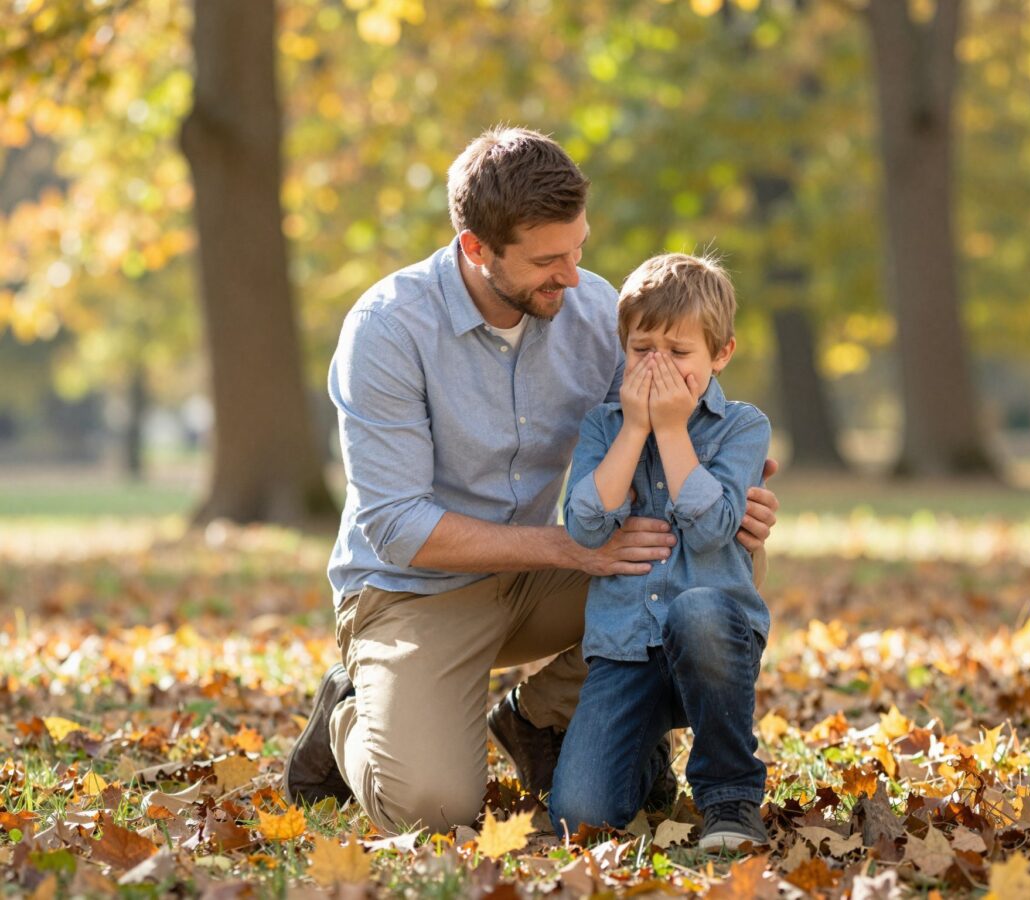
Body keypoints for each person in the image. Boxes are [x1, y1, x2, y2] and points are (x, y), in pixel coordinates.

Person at [281, 127, 779, 834]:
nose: (571, 277)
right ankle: (350, 711)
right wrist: (570, 550)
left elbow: (664, 427)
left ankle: (539, 716)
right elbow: (395, 527)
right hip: (413, 591)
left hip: (543, 579)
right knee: (433, 808)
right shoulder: (388, 329)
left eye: (577, 249)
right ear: (476, 248)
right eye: (547, 261)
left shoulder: (593, 311)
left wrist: (736, 485)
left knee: (724, 565)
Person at [550, 253, 772, 851]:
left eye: (679, 352)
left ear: (721, 354)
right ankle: (645, 759)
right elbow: (585, 528)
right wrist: (635, 430)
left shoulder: (742, 426)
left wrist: (671, 430)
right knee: (579, 817)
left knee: (697, 610)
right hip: (626, 645)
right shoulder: (604, 427)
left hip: (713, 641)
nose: (658, 365)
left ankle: (730, 799)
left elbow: (712, 528)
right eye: (643, 348)